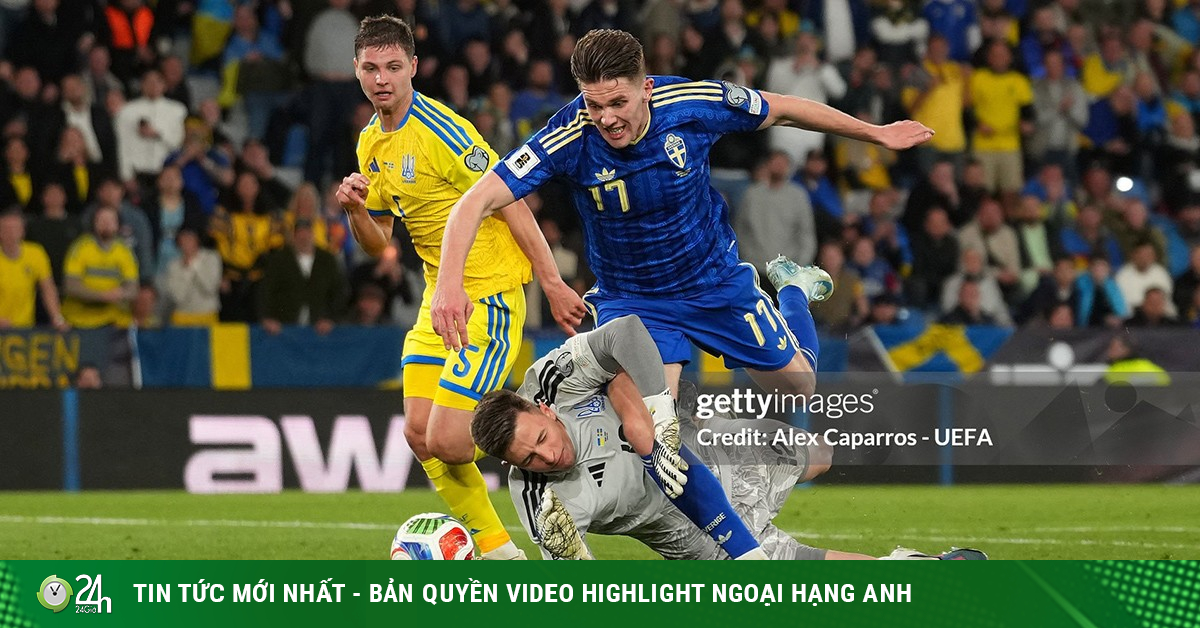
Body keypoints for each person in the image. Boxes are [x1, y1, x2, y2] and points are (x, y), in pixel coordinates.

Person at [434, 28, 932, 558]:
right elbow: (475, 200)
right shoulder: (567, 137)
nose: (605, 118)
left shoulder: (691, 104)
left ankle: (792, 292)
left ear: (646, 87)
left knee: (798, 388)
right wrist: (448, 284)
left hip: (714, 281)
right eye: (593, 103)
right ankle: (748, 554)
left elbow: (783, 108)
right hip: (633, 301)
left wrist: (875, 133)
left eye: (618, 102)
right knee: (652, 436)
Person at [333, 15, 585, 560]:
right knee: (420, 435)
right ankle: (498, 552)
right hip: (437, 300)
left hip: (488, 296)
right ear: (356, 70)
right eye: (372, 68)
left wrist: (552, 280)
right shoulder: (370, 143)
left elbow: (511, 198)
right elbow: (379, 242)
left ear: (414, 69)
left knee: (450, 440)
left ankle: (561, 468)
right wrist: (355, 210)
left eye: (394, 67)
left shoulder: (442, 130)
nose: (383, 79)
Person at [470, 315, 984, 561]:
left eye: (541, 437)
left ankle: (793, 297)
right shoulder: (546, 507)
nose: (549, 455)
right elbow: (579, 590)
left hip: (707, 444)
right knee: (792, 569)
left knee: (821, 453)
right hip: (690, 528)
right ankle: (920, 570)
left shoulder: (553, 379)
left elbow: (624, 333)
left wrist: (652, 417)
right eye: (531, 460)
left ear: (541, 408)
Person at [61, 205, 139, 328]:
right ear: (94, 224)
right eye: (102, 220)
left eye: (111, 221)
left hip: (114, 321)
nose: (106, 224)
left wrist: (121, 293)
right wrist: (101, 296)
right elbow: (71, 286)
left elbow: (133, 289)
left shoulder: (125, 251)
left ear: (118, 225)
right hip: (80, 320)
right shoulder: (80, 247)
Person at [0, 208, 69, 331]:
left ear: (23, 231)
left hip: (25, 329)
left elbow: (47, 288)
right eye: (6, 229)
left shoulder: (36, 253)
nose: (11, 233)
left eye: (15, 229)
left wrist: (57, 318)